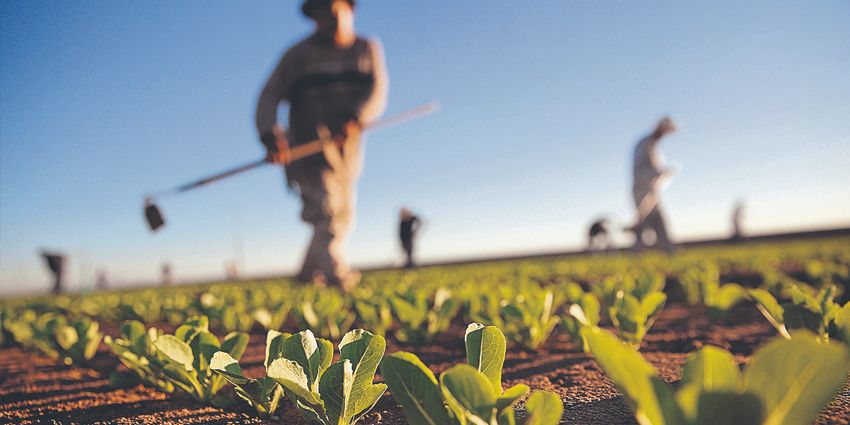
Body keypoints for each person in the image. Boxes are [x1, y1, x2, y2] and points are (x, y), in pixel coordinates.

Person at [256, 0, 388, 291]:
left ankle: (305, 276)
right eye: (321, 15)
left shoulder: (366, 49)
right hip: (306, 149)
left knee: (342, 215)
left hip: (346, 152)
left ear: (349, 11)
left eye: (334, 12)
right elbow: (269, 96)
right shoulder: (296, 56)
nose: (328, 20)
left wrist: (357, 118)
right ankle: (338, 277)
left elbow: (376, 91)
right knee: (327, 211)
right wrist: (269, 134)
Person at [630, 117, 677, 252]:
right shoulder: (644, 144)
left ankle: (669, 252)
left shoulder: (653, 146)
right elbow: (639, 170)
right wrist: (661, 172)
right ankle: (636, 254)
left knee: (659, 222)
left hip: (651, 191)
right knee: (644, 223)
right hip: (641, 190)